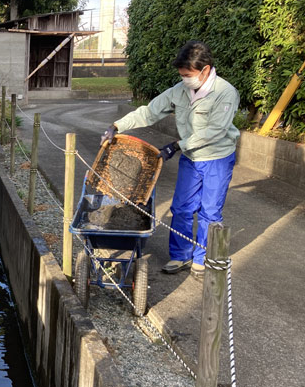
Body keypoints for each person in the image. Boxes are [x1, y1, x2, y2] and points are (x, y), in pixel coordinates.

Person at [102, 40, 240, 279]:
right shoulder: (179, 90)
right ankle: (181, 255)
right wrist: (116, 126)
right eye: (182, 75)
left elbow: (214, 131)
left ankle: (203, 257)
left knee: (210, 211)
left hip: (217, 157)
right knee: (181, 208)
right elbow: (149, 111)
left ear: (205, 70)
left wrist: (177, 145)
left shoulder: (225, 93)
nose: (185, 79)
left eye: (188, 74)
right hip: (191, 158)